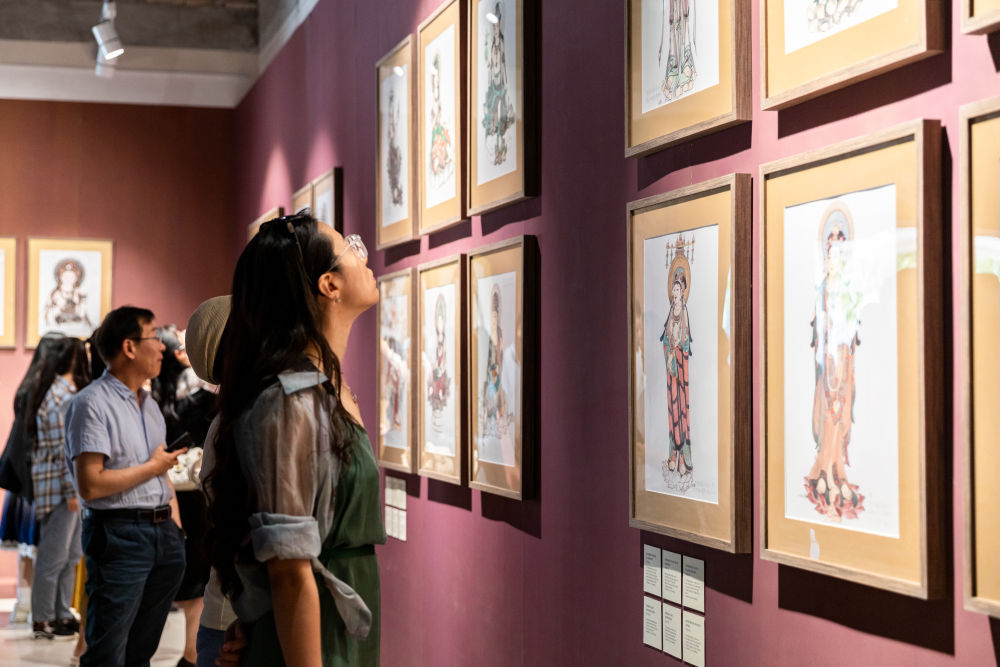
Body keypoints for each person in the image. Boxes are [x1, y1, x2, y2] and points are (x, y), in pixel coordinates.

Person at [204, 212, 385, 666]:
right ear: (329, 284)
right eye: (352, 248)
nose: (364, 257)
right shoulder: (290, 399)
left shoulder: (327, 388)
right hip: (312, 633)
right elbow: (288, 570)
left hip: (335, 620)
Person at [66, 306, 188, 667]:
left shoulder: (149, 405)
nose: (162, 347)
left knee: (141, 651)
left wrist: (176, 531)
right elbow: (91, 484)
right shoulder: (92, 403)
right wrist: (153, 467)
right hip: (119, 535)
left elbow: (162, 474)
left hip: (163, 535)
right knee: (107, 651)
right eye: (154, 337)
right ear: (129, 347)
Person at [152, 324, 215, 667]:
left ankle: (189, 652)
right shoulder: (200, 398)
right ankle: (191, 652)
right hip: (192, 495)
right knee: (197, 574)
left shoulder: (152, 399)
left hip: (167, 493)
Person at [0, 333, 67, 623]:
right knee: (44, 546)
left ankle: (25, 604)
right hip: (39, 479)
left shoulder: (28, 387)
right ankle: (37, 609)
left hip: (22, 477)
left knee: (29, 546)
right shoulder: (49, 392)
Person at [29, 335, 90, 639]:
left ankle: (61, 613)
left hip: (69, 487)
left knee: (71, 554)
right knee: (54, 556)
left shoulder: (64, 393)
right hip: (61, 489)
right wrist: (70, 491)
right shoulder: (60, 396)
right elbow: (62, 450)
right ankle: (43, 618)